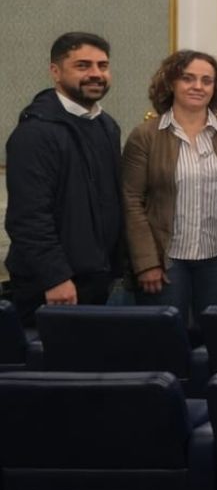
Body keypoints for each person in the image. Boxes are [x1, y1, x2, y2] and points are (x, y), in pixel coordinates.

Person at [4, 32, 126, 321]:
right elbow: (29, 217)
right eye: (83, 66)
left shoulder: (107, 126)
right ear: (55, 72)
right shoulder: (35, 133)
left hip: (98, 280)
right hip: (54, 287)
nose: (96, 74)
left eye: (102, 65)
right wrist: (55, 277)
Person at [121, 49, 217, 321]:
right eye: (188, 78)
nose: (197, 87)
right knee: (163, 339)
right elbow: (131, 201)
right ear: (171, 83)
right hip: (165, 261)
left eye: (206, 80)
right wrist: (146, 263)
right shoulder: (145, 136)